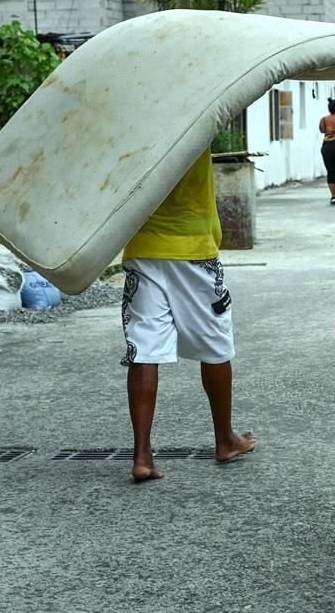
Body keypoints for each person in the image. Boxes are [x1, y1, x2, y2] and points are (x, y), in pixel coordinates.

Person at [120, 148, 255, 482]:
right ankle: (225, 440)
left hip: (142, 246)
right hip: (193, 248)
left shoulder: (132, 118)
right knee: (215, 346)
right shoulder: (195, 108)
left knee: (145, 347)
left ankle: (142, 456)